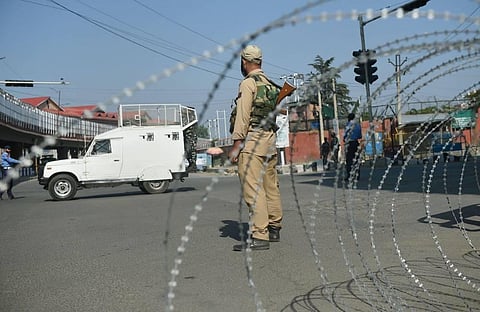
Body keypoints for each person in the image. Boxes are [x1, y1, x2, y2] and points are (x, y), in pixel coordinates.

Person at [228, 45, 283, 251]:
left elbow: (242, 116)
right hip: (270, 139)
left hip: (253, 140)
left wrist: (236, 145)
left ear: (244, 61)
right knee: (271, 185)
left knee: (253, 187)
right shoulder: (270, 84)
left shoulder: (248, 84)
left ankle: (260, 235)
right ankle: (274, 226)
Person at [343, 113, 362, 181]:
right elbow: (360, 136)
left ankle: (349, 175)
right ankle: (357, 175)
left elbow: (344, 136)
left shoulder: (347, 125)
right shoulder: (357, 125)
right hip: (356, 143)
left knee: (349, 160)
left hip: (349, 143)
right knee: (356, 159)